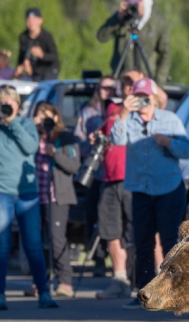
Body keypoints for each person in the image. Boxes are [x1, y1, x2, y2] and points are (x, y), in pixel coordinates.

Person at [111, 78, 189, 308]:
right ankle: (144, 294)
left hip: (169, 188)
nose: (143, 101)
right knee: (142, 242)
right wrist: (124, 112)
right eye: (138, 96)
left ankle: (173, 293)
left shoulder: (170, 119)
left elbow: (187, 149)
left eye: (147, 96)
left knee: (170, 242)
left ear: (154, 97)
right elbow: (116, 139)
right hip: (141, 190)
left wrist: (169, 142)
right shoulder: (128, 119)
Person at [0, 86, 58, 310]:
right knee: (1, 245)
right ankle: (0, 295)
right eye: (1, 102)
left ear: (17, 104)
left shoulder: (26, 124)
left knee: (33, 244)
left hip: (26, 193)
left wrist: (12, 121)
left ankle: (43, 293)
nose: (6, 106)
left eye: (9, 102)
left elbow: (30, 147)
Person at [93, 71, 140, 299]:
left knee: (138, 230)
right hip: (109, 178)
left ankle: (141, 277)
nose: (129, 87)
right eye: (126, 83)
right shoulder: (111, 109)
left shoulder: (144, 108)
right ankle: (119, 278)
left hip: (132, 178)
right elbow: (107, 135)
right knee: (111, 231)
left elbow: (159, 96)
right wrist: (96, 136)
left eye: (133, 83)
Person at [32, 102, 80, 297]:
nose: (43, 119)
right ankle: (40, 281)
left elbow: (73, 165)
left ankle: (65, 281)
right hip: (36, 195)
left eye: (47, 115)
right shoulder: (32, 136)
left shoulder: (66, 138)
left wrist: (55, 153)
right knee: (37, 240)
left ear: (56, 117)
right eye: (39, 115)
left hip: (56, 196)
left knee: (56, 238)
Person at [75, 75, 119, 277]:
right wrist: (93, 144)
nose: (106, 91)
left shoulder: (120, 111)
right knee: (94, 217)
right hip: (95, 172)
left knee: (113, 218)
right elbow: (79, 142)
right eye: (103, 88)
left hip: (115, 172)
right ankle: (98, 259)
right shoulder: (88, 112)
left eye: (111, 88)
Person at [97, 0, 171, 86]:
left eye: (136, 4)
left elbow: (166, 55)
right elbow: (101, 37)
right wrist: (117, 18)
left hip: (146, 80)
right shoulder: (123, 17)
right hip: (122, 80)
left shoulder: (158, 22)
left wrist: (159, 84)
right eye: (130, 3)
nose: (133, 7)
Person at [15, 8, 60, 81]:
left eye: (34, 20)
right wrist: (21, 66)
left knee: (45, 87)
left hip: (49, 69)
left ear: (40, 21)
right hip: (34, 72)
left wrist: (42, 55)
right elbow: (21, 56)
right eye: (29, 20)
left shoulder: (46, 36)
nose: (31, 23)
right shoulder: (23, 37)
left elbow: (54, 56)